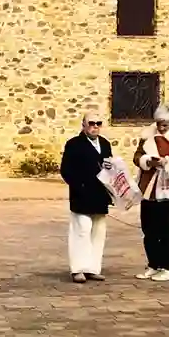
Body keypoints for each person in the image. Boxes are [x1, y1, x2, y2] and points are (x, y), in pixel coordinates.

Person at [134, 104, 169, 282]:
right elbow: (137, 157)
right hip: (149, 190)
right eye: (159, 124)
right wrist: (147, 161)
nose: (161, 127)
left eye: (165, 124)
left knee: (165, 230)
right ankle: (153, 264)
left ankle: (166, 267)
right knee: (148, 230)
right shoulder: (147, 138)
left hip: (168, 190)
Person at [59, 113, 114, 284]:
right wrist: (79, 186)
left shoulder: (104, 144)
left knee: (98, 232)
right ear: (83, 125)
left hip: (100, 194)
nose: (95, 126)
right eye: (91, 123)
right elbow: (66, 170)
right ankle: (78, 269)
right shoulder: (74, 144)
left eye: (98, 123)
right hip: (82, 194)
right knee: (81, 230)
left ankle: (93, 268)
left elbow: (109, 166)